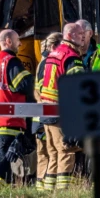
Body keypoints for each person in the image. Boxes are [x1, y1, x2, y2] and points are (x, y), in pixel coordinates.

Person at [0, 30, 35, 189]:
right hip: (10, 121)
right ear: (9, 41)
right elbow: (25, 85)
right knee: (2, 159)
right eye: (18, 40)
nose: (20, 44)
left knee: (6, 157)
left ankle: (3, 189)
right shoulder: (12, 62)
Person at [36, 23, 86, 189]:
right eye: (80, 34)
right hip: (61, 112)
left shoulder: (54, 54)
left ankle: (48, 191)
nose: (84, 37)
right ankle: (64, 192)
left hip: (47, 110)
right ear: (70, 36)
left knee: (53, 153)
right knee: (66, 151)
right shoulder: (71, 57)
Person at [33, 32, 63, 190]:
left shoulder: (41, 63)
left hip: (39, 117)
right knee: (54, 153)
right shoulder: (51, 63)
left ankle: (41, 188)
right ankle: (49, 188)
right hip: (49, 116)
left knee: (43, 155)